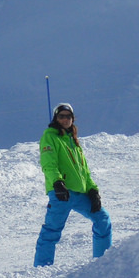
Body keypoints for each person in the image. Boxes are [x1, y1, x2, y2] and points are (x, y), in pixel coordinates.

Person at [34, 102, 112, 266]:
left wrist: (92, 190)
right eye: (61, 116)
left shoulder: (73, 141)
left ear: (72, 119)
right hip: (62, 193)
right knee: (52, 231)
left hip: (79, 193)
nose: (65, 119)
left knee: (102, 219)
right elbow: (49, 163)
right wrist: (57, 183)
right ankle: (41, 267)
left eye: (68, 116)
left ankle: (102, 262)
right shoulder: (50, 137)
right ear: (56, 118)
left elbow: (84, 170)